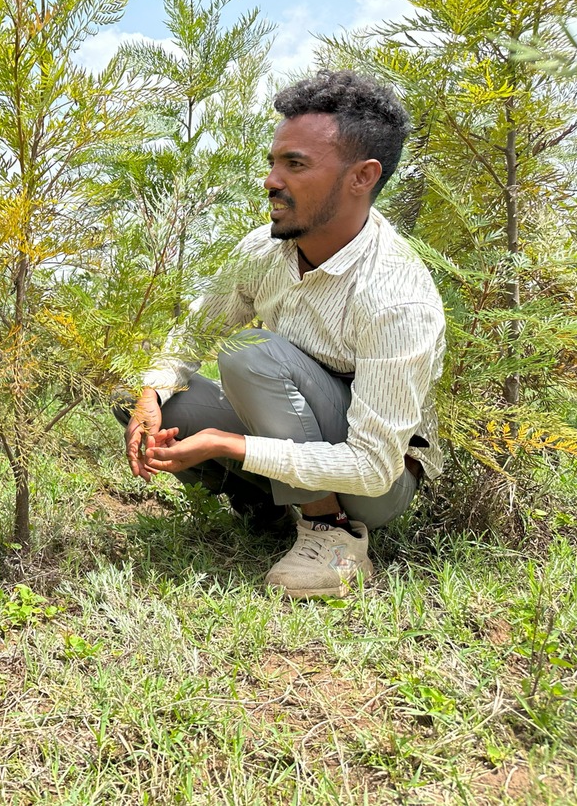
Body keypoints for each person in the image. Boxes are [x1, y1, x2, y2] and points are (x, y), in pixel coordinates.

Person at [122, 69, 445, 599]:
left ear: (362, 177)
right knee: (154, 398)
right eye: (274, 162)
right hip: (299, 423)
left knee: (250, 352)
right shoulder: (263, 249)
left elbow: (372, 466)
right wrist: (148, 394)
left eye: (295, 164)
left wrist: (227, 442)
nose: (272, 180)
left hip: (376, 484)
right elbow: (195, 330)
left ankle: (331, 533)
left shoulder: (396, 295)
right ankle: (268, 502)